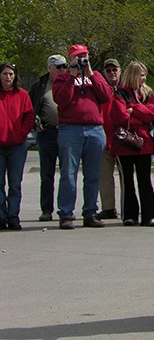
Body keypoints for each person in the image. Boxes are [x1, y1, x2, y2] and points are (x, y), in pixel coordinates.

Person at [53, 45, 114, 229]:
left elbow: (106, 96)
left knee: (93, 174)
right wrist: (72, 76)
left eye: (84, 56)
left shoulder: (95, 76)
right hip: (70, 130)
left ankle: (90, 212)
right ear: (70, 58)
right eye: (78, 57)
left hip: (95, 129)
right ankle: (66, 214)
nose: (81, 60)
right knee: (68, 174)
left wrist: (91, 74)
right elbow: (62, 100)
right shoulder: (61, 78)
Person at [109, 61, 154, 226]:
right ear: (133, 76)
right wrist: (139, 113)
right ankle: (129, 215)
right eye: (141, 75)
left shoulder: (148, 93)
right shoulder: (120, 93)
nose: (143, 79)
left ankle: (149, 215)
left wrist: (133, 108)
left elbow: (152, 114)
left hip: (144, 143)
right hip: (125, 145)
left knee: (145, 180)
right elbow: (120, 117)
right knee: (127, 181)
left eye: (144, 75)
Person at [28, 54, 67, 221]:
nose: (62, 70)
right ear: (49, 68)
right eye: (58, 67)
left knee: (67, 173)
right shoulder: (39, 86)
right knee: (47, 174)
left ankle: (65, 209)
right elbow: (29, 108)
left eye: (64, 66)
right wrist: (34, 124)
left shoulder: (69, 83)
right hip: (47, 133)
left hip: (67, 132)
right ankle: (46, 209)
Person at [0, 62, 35, 230]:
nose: (8, 77)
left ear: (15, 77)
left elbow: (29, 116)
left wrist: (22, 134)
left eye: (11, 74)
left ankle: (13, 216)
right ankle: (1, 217)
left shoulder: (22, 95)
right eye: (5, 74)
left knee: (15, 183)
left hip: (17, 146)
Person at [97, 58, 122, 220]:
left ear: (120, 71)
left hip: (123, 140)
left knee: (125, 177)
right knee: (104, 176)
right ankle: (108, 207)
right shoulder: (100, 90)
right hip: (104, 138)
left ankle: (129, 206)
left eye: (115, 70)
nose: (112, 73)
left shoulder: (126, 89)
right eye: (108, 70)